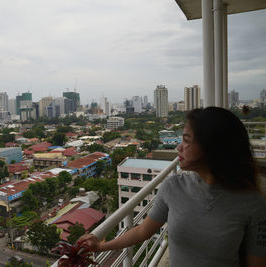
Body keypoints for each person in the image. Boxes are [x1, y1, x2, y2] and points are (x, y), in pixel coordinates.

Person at [79, 107, 266, 267]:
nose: (179, 147)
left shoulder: (252, 203)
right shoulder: (173, 186)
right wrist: (101, 246)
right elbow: (143, 231)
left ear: (212, 146)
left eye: (186, 140)